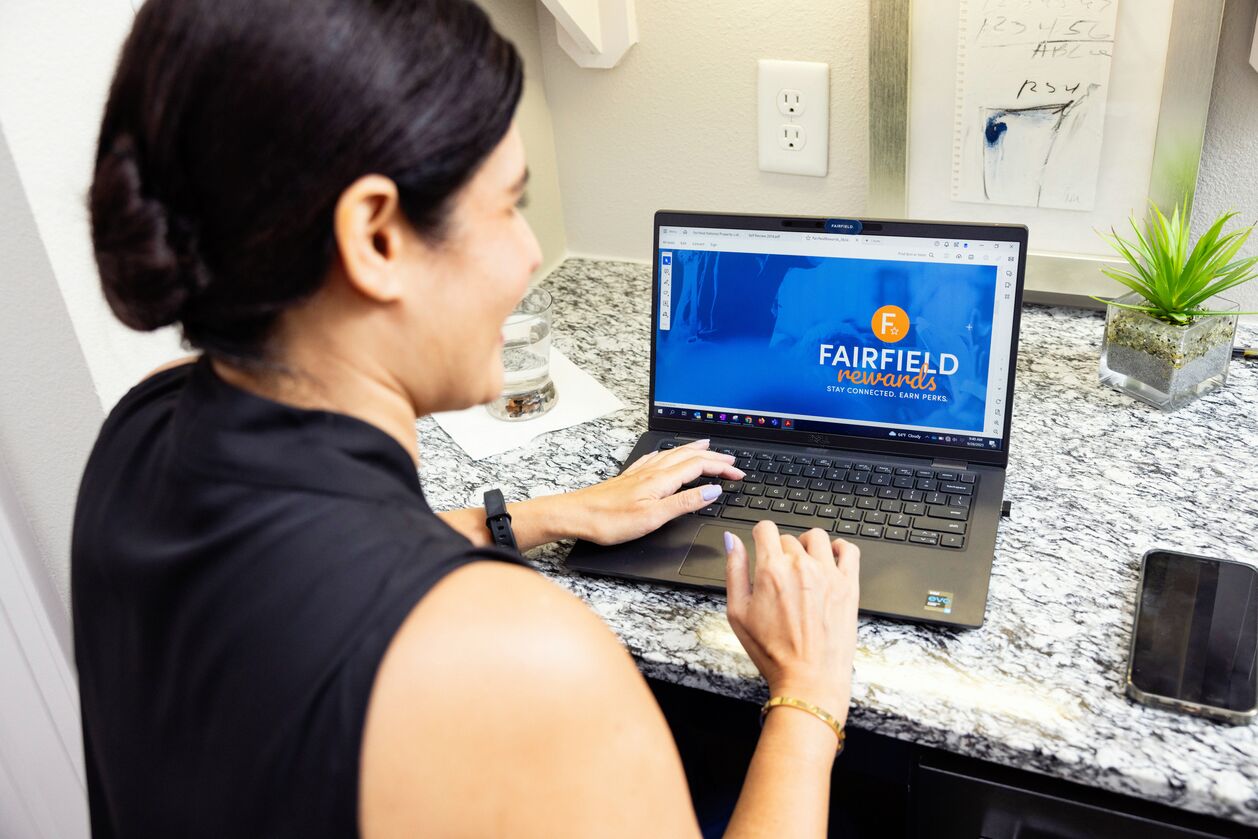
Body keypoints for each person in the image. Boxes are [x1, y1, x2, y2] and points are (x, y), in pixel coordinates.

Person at [72, 1, 861, 836]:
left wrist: (545, 514)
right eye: (508, 206)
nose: (529, 253)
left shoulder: (144, 424)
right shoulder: (519, 655)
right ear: (375, 237)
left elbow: (317, 561)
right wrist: (807, 697)